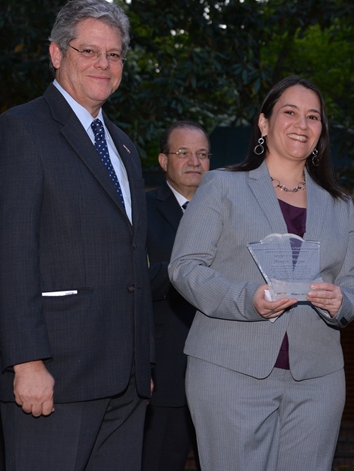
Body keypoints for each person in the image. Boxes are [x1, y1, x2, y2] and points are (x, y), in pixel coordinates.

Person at [0, 0, 153, 469]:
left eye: (114, 55)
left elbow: (133, 256)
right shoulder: (19, 130)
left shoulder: (125, 146)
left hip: (125, 382)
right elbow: (6, 256)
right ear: (56, 54)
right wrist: (27, 362)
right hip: (55, 377)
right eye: (89, 51)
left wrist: (144, 363)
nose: (103, 64)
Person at [168, 76, 354, 471]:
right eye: (289, 112)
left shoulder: (340, 205)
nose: (302, 124)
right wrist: (247, 299)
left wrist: (343, 300)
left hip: (317, 379)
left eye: (313, 117)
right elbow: (184, 267)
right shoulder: (222, 186)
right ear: (263, 123)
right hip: (230, 372)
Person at [142, 121, 210, 471]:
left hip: (222, 374)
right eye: (183, 153)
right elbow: (135, 283)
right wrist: (187, 269)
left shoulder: (228, 210)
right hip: (167, 373)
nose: (194, 161)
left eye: (201, 154)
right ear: (163, 161)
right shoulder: (140, 210)